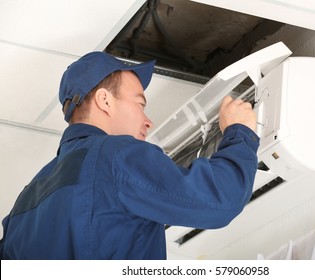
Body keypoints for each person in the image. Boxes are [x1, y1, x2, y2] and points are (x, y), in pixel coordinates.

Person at [0, 51, 259, 259]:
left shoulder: (23, 204)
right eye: (140, 104)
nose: (148, 121)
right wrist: (239, 131)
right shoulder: (114, 155)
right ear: (105, 101)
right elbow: (219, 200)